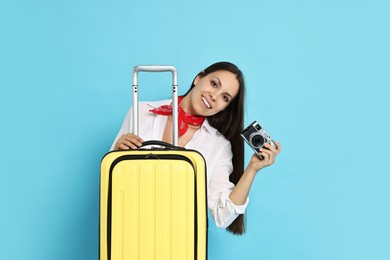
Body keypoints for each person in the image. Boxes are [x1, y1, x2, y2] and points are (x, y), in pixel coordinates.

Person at [111, 61, 282, 235]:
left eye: (225, 98)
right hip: (129, 228)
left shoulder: (218, 145)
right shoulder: (141, 111)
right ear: (199, 78)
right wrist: (117, 154)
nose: (214, 96)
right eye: (214, 84)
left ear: (225, 107)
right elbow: (110, 183)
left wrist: (252, 169)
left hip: (178, 237)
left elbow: (223, 216)